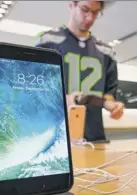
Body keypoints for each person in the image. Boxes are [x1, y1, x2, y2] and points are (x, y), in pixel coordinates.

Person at [35, 1, 124, 141]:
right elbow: (35, 89)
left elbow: (108, 95)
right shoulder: (48, 41)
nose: (90, 18)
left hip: (94, 137)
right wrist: (65, 99)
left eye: (95, 12)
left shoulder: (106, 51)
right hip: (53, 138)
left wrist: (113, 106)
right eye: (85, 9)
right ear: (71, 4)